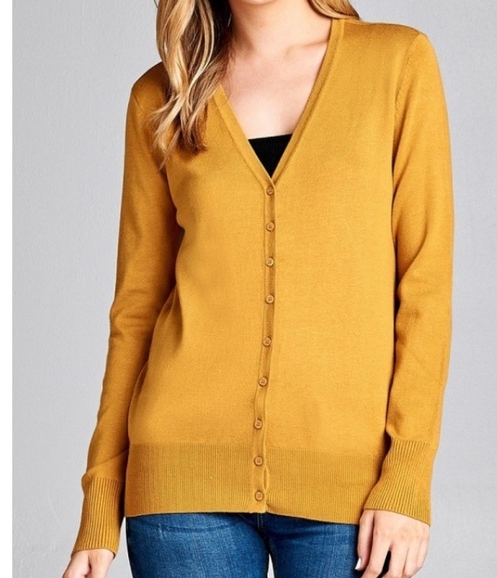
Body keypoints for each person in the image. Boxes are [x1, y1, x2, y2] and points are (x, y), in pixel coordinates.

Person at [62, 0, 454, 576]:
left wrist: (407, 475)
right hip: (180, 482)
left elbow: (425, 287)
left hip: (350, 484)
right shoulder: (164, 95)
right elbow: (137, 308)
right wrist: (101, 499)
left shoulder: (396, 62)